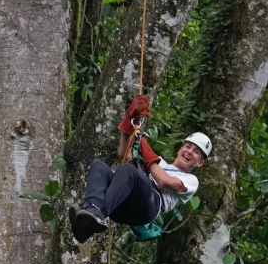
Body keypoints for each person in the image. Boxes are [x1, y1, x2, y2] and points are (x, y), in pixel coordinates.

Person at [69, 95, 212, 243]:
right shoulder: (160, 163)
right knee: (99, 167)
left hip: (147, 207)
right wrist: (129, 122)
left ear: (200, 163)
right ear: (181, 148)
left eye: (196, 151)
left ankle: (99, 216)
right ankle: (90, 216)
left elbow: (164, 181)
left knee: (129, 170)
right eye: (188, 146)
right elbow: (124, 153)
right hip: (121, 206)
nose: (189, 151)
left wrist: (144, 146)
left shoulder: (191, 181)